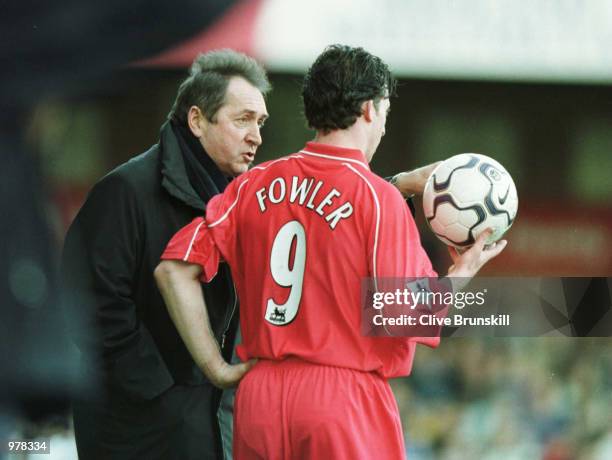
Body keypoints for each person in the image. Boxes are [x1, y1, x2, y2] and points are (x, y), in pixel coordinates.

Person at [154, 44, 507, 459]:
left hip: (259, 398)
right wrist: (462, 272)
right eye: (386, 115)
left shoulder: (252, 185)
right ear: (370, 111)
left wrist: (216, 368)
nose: (384, 129)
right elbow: (405, 314)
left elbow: (173, 270)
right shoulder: (378, 200)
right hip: (342, 399)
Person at [60, 49, 271, 460]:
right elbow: (89, 305)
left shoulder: (240, 201)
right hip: (137, 430)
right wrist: (166, 392)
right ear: (196, 120)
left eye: (260, 122)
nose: (257, 136)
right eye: (243, 119)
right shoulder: (123, 192)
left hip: (209, 426)